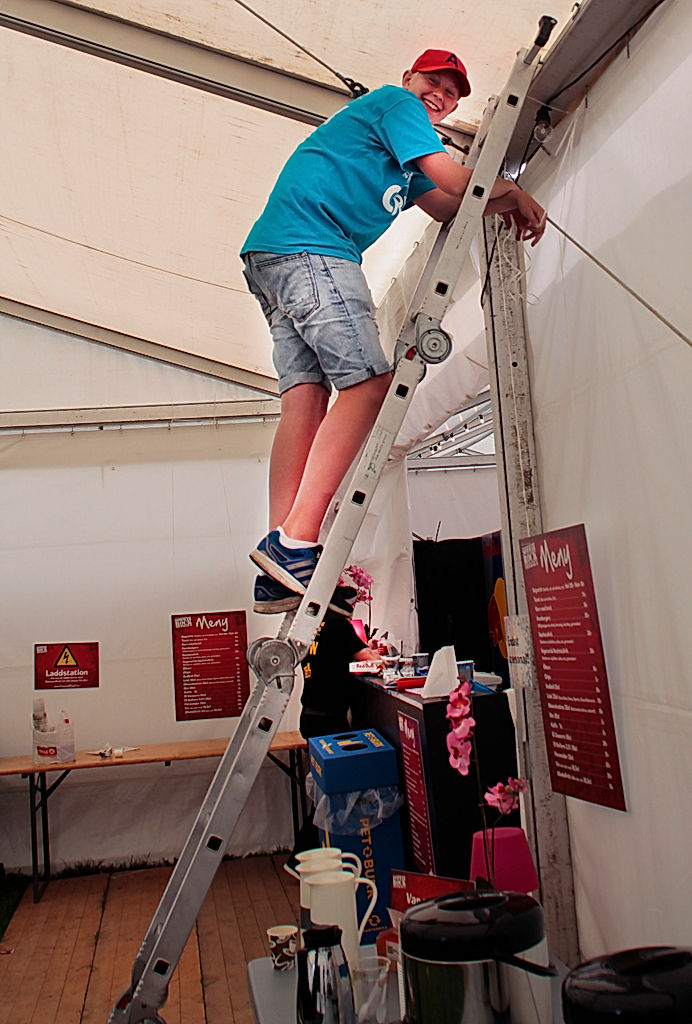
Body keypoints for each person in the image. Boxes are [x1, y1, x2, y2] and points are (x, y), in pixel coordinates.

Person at [242, 49, 547, 613]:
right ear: (410, 78)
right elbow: (455, 177)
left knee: (305, 399)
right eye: (434, 81)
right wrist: (516, 191)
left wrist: (493, 201)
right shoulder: (395, 103)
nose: (441, 96)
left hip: (273, 253)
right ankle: (298, 541)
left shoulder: (401, 152)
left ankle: (278, 553)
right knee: (368, 387)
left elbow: (445, 205)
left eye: (453, 93)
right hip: (314, 247)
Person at [299, 612, 381, 739]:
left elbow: (331, 654)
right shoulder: (338, 624)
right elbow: (369, 658)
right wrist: (385, 656)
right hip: (329, 720)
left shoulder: (311, 624)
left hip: (310, 714)